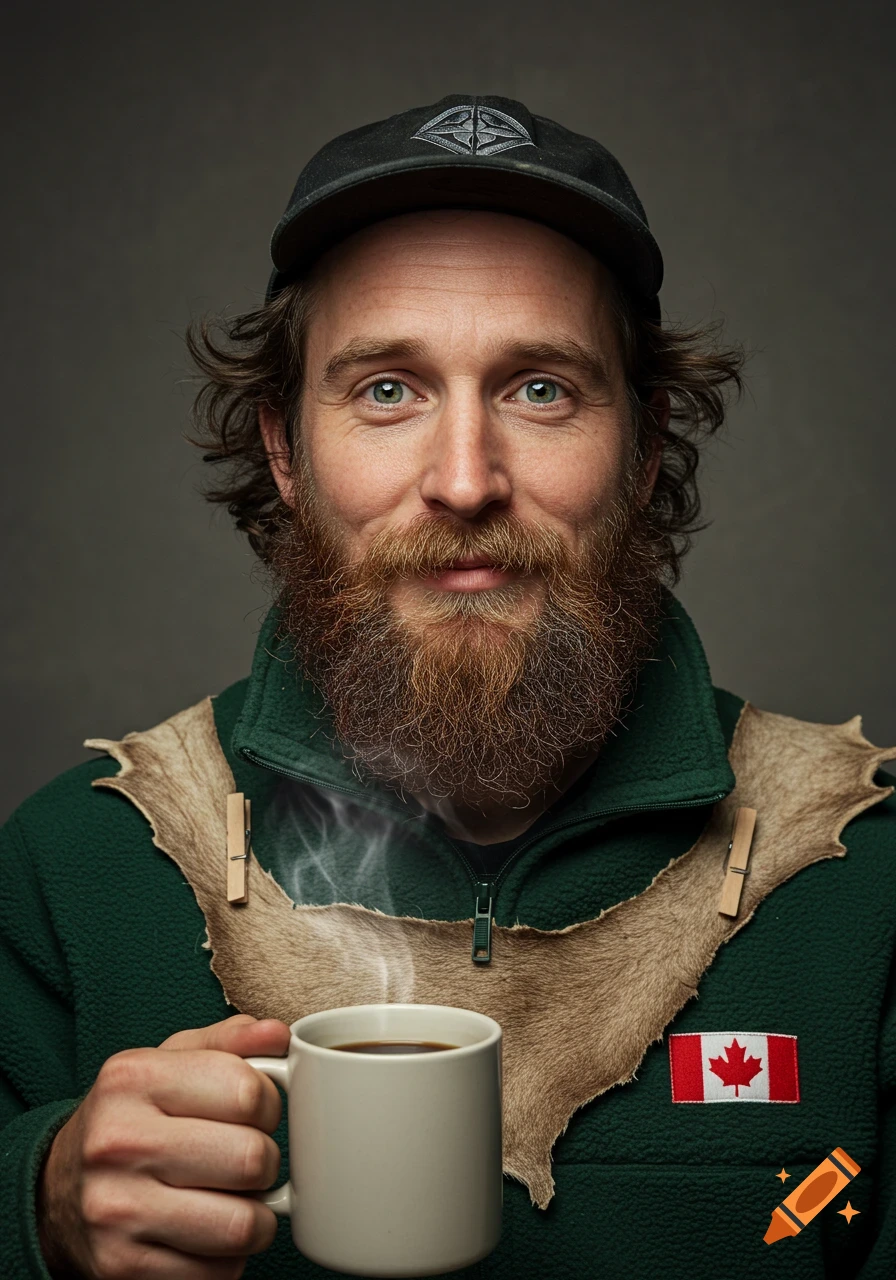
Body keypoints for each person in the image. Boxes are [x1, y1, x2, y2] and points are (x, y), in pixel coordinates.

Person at [1, 94, 893, 1280]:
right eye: (385, 389)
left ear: (641, 445)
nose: (464, 479)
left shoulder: (867, 885)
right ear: (283, 446)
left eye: (539, 388)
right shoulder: (73, 869)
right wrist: (37, 1204)